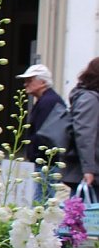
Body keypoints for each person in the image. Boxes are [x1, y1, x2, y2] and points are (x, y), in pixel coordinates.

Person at [16, 63, 65, 202]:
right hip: (43, 161)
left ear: (42, 82)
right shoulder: (45, 100)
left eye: (30, 80)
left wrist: (36, 155)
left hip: (47, 162)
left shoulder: (48, 101)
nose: (26, 84)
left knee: (41, 200)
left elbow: (46, 134)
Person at [63, 57, 99, 195]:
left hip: (92, 171)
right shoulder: (90, 99)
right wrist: (89, 170)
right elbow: (85, 135)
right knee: (85, 212)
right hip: (90, 174)